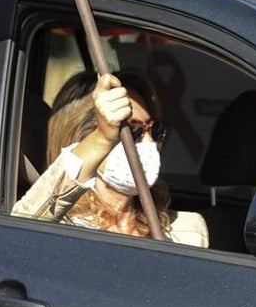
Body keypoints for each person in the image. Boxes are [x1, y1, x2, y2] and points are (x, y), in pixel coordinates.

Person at [14, 69, 208, 246]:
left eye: (155, 129)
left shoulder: (186, 230)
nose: (149, 142)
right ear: (82, 138)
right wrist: (102, 138)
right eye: (132, 131)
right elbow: (14, 237)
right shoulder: (56, 226)